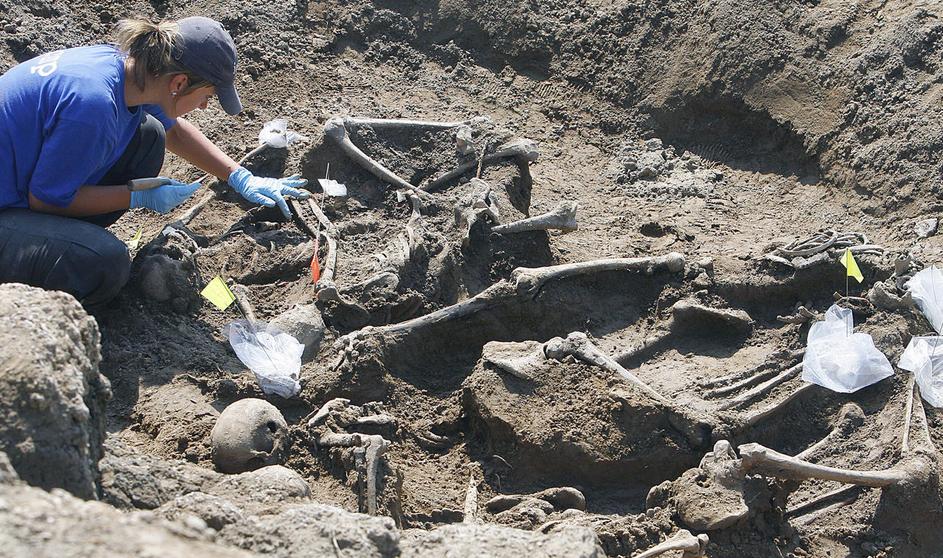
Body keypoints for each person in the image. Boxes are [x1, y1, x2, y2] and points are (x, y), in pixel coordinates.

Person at [0, 16, 309, 307]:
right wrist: (137, 196)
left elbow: (175, 132)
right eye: (208, 95)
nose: (204, 106)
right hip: (12, 210)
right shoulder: (93, 107)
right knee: (105, 263)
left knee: (149, 137)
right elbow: (45, 201)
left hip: (19, 185)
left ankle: (64, 240)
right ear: (179, 84)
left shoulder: (127, 68)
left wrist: (240, 176)